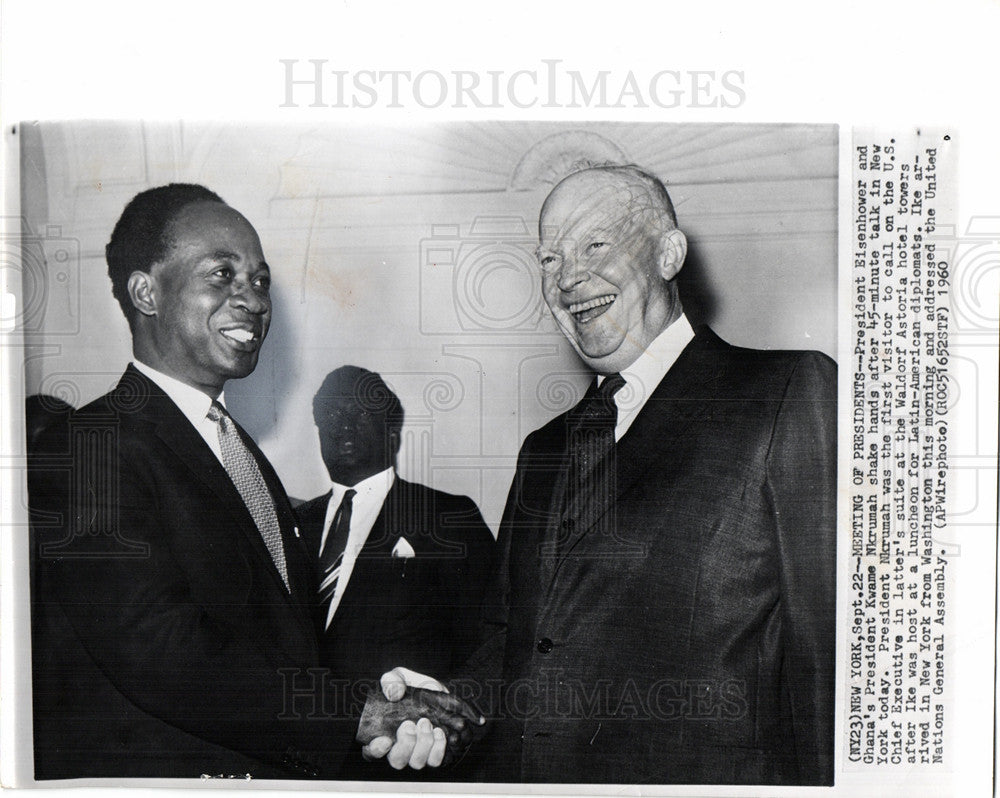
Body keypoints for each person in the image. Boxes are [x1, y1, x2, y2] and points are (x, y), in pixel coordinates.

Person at [27, 184, 476, 780]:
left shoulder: (240, 452)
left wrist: (385, 698)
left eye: (260, 281)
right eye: (222, 274)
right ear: (146, 292)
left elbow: (284, 644)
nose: (253, 300)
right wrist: (358, 714)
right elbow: (158, 651)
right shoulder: (91, 444)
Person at [451, 165, 836, 785]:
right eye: (550, 259)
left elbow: (830, 657)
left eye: (595, 244)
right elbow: (513, 640)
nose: (570, 276)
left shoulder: (786, 393)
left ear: (667, 253)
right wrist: (445, 707)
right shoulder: (542, 450)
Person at [296, 366, 496, 774]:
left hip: (406, 760)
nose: (345, 423)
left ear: (391, 428)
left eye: (363, 411)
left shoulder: (447, 516)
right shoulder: (293, 521)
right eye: (331, 414)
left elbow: (492, 638)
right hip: (298, 754)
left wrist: (449, 720)